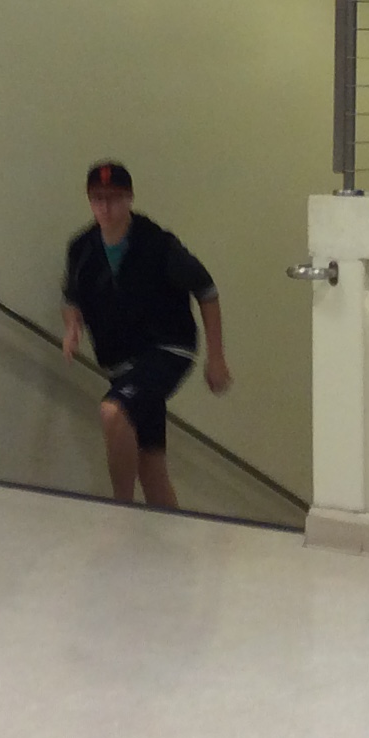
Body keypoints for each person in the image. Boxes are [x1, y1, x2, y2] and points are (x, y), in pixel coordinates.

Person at [60, 161, 229, 509]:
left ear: (130, 198)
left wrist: (216, 358)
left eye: (114, 198)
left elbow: (207, 291)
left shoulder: (157, 243)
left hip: (166, 349)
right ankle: (166, 535)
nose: (106, 207)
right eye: (98, 198)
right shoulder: (82, 249)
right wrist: (72, 327)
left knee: (113, 411)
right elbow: (72, 299)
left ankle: (121, 510)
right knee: (151, 465)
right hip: (121, 363)